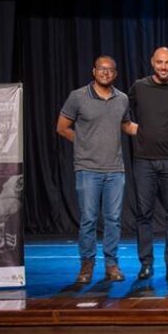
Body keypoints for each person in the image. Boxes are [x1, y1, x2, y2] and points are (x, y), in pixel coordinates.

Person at [56, 55, 138, 284]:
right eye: (101, 69)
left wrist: (154, 131)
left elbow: (127, 125)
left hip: (115, 169)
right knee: (89, 219)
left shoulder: (122, 99)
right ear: (94, 71)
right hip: (87, 169)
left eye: (110, 70)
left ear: (115, 74)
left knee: (113, 220)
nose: (105, 73)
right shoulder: (78, 96)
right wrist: (83, 143)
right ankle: (87, 265)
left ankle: (111, 265)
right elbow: (62, 128)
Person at [128, 47, 168, 280]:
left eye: (167, 63)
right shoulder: (139, 87)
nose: (163, 67)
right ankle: (146, 264)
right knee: (143, 214)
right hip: (143, 160)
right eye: (159, 63)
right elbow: (123, 113)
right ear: (152, 62)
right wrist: (135, 129)